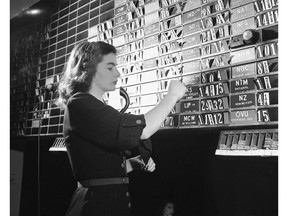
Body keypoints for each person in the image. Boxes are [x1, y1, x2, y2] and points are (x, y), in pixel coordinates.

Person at [57, 41, 186, 216]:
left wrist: (137, 163)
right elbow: (144, 130)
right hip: (95, 206)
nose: (117, 73)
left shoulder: (93, 106)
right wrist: (172, 96)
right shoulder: (80, 103)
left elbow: (104, 170)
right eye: (110, 67)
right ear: (88, 69)